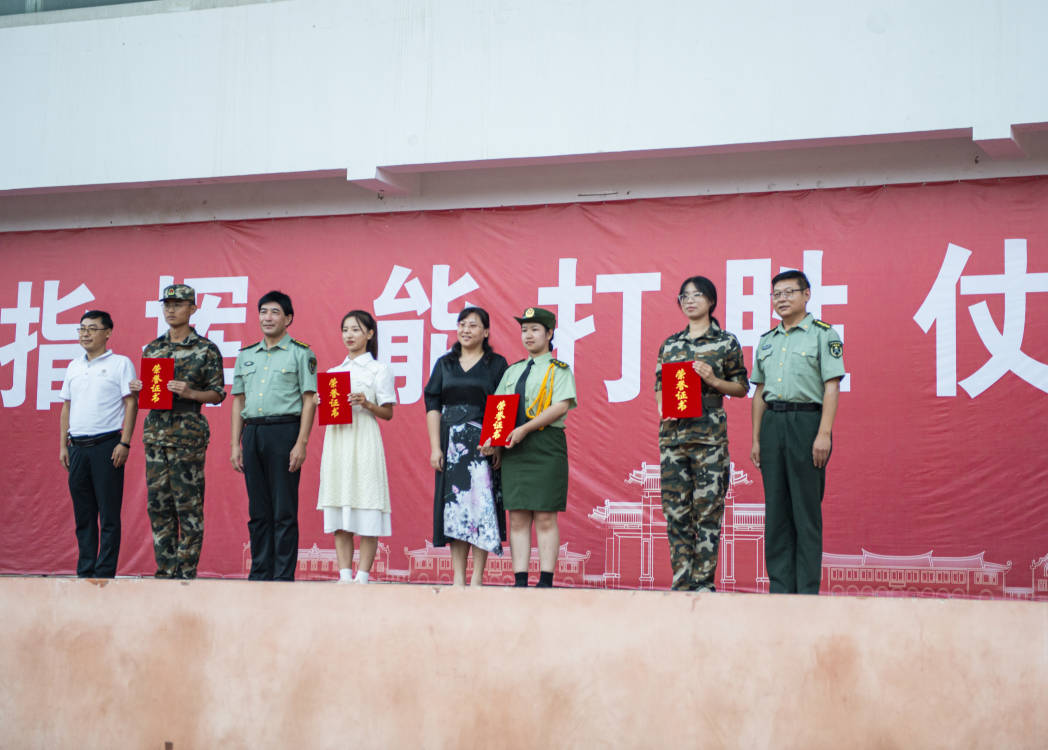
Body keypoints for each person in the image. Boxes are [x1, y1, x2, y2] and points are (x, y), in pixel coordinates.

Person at [750, 270, 844, 594]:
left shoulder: (823, 335)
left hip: (806, 424)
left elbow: (831, 386)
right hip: (772, 425)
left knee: (805, 512)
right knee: (776, 512)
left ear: (807, 295)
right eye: (777, 294)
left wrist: (824, 434)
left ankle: (806, 592)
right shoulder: (767, 340)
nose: (782, 299)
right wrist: (756, 439)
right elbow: (759, 393)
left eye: (789, 292)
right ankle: (780, 590)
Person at [655, 277, 749, 592]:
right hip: (673, 440)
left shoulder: (726, 341)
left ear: (711, 301)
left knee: (707, 513)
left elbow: (741, 387)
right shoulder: (671, 344)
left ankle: (703, 584)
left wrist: (714, 380)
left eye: (697, 295)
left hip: (709, 439)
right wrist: (663, 409)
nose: (690, 300)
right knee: (676, 514)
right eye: (685, 296)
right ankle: (682, 583)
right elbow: (659, 386)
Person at [131, 284, 227, 579]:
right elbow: (151, 393)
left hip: (187, 436)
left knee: (188, 506)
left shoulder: (206, 349)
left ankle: (185, 572)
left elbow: (218, 393)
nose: (171, 310)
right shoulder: (153, 348)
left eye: (178, 304)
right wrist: (139, 389)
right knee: (158, 506)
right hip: (156, 434)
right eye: (167, 305)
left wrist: (190, 392)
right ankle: (165, 569)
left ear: (192, 309)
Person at [485, 307, 577, 588]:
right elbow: (500, 409)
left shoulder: (559, 369)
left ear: (549, 334)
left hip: (545, 444)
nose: (528, 335)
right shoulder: (512, 371)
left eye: (535, 330)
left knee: (546, 515)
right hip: (514, 448)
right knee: (518, 516)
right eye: (524, 330)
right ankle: (520, 580)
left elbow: (561, 405)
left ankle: (546, 580)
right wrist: (495, 444)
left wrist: (525, 429)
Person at [231, 290, 317, 582]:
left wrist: (301, 443)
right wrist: (235, 444)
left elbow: (309, 400)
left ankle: (282, 577)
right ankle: (260, 573)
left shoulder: (301, 353)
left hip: (284, 431)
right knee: (258, 511)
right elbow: (238, 401)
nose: (267, 318)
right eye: (263, 311)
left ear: (288, 319)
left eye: (275, 312)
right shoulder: (246, 355)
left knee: (284, 511)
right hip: (252, 432)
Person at [424, 307, 508, 587]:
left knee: (481, 509)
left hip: (483, 446)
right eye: (462, 324)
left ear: (486, 332)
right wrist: (436, 447)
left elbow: (503, 404)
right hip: (451, 446)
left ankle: (477, 579)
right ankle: (458, 578)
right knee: (455, 508)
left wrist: (497, 445)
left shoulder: (496, 364)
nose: (466, 330)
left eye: (473, 325)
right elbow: (433, 405)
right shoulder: (445, 364)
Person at [315, 310, 395, 585]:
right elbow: (329, 410)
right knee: (339, 505)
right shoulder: (334, 373)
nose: (349, 335)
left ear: (370, 334)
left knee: (367, 506)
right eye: (345, 330)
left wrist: (366, 403)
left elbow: (387, 413)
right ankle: (344, 575)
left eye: (356, 330)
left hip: (364, 441)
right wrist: (320, 402)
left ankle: (362, 577)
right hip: (338, 442)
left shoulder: (378, 369)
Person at [58, 310, 137, 578]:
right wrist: (63, 445)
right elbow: (66, 408)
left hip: (107, 446)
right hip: (77, 447)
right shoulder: (73, 366)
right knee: (84, 514)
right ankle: (86, 569)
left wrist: (125, 443)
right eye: (82, 329)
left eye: (92, 328)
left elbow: (131, 403)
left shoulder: (120, 363)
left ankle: (104, 572)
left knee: (109, 514)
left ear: (108, 333)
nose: (85, 334)